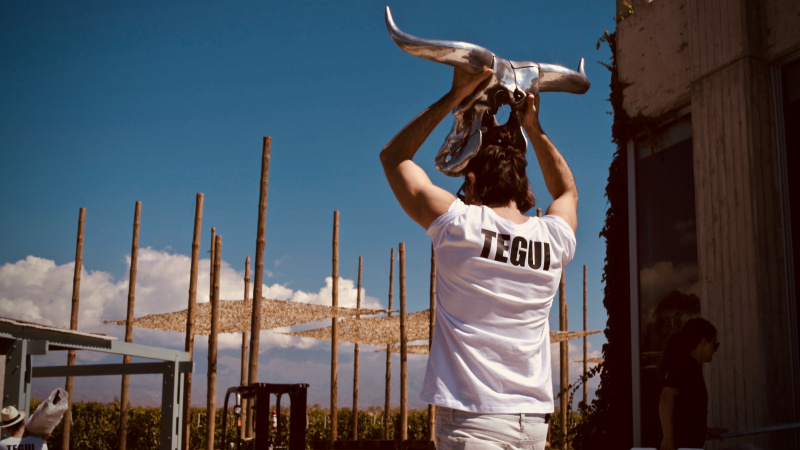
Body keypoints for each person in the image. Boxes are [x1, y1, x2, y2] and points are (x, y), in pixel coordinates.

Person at [380, 65, 578, 450]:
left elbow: (394, 157)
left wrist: (455, 94)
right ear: (521, 184)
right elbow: (567, 192)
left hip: (473, 422)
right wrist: (534, 128)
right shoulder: (552, 238)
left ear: (471, 181)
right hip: (532, 424)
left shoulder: (460, 225)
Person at [658, 317, 726, 450]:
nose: (715, 350)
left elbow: (686, 413)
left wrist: (706, 430)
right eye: (714, 344)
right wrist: (667, 439)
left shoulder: (692, 368)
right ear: (703, 342)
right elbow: (666, 397)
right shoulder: (685, 366)